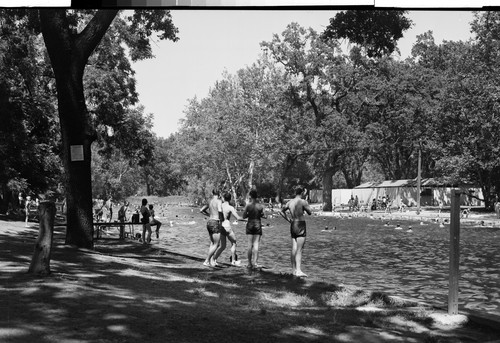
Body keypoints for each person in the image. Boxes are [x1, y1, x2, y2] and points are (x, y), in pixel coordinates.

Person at [281, 187, 312, 277]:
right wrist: (306, 202)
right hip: (300, 224)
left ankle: (294, 270)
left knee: (294, 248)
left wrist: (289, 220)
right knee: (300, 249)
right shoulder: (302, 202)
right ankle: (298, 270)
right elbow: (310, 212)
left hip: (293, 223)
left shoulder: (290, 202)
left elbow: (281, 211)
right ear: (302, 193)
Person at [214, 193, 243, 266]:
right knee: (234, 243)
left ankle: (213, 259)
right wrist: (247, 219)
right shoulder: (230, 207)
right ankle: (233, 261)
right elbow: (238, 218)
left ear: (223, 198)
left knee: (222, 246)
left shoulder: (219, 206)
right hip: (227, 227)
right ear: (230, 199)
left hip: (221, 227)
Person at [242, 189, 267, 269]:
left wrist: (249, 214)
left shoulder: (248, 205)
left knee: (249, 244)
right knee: (256, 245)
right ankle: (255, 263)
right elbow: (265, 216)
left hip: (250, 224)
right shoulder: (261, 206)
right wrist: (260, 214)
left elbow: (243, 216)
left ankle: (249, 263)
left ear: (250, 196)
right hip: (257, 224)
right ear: (257, 196)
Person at [200, 189, 224, 267]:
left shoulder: (210, 201)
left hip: (209, 222)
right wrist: (222, 219)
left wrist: (208, 215)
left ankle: (210, 261)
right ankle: (207, 261)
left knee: (213, 243)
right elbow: (220, 210)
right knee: (216, 244)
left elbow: (201, 210)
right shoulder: (219, 201)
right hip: (215, 222)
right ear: (219, 193)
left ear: (212, 193)